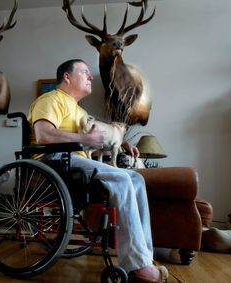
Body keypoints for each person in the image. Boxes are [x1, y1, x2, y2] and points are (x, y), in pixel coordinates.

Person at [27, 59, 168, 283]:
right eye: (84, 72)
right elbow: (44, 135)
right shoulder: (50, 99)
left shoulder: (78, 109)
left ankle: (143, 257)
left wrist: (121, 144)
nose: (90, 76)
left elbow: (103, 133)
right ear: (67, 77)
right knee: (122, 178)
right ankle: (137, 265)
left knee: (136, 179)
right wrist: (86, 139)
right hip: (56, 161)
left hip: (75, 163)